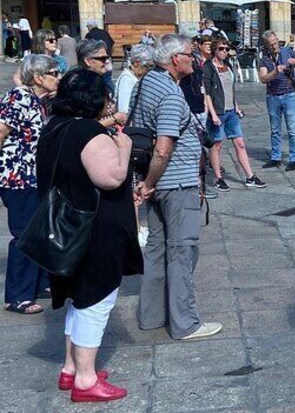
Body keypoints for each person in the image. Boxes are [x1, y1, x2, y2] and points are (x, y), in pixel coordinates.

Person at [38, 68, 142, 402]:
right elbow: (111, 177)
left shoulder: (56, 126)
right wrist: (123, 147)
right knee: (95, 301)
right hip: (94, 230)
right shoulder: (88, 132)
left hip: (67, 227)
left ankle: (71, 368)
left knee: (78, 298)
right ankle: (85, 379)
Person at [132, 34, 222, 341]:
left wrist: (145, 183)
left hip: (155, 184)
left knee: (156, 250)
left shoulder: (146, 83)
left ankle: (152, 316)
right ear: (175, 60)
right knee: (183, 251)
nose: (194, 60)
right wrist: (150, 183)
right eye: (189, 55)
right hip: (174, 182)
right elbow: (163, 146)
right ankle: (185, 323)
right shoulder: (170, 94)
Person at [0, 54, 60, 315]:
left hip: (33, 176)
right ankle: (17, 296)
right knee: (24, 234)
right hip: (17, 177)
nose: (58, 78)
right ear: (38, 77)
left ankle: (39, 283)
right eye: (54, 73)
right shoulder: (19, 98)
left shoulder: (36, 99)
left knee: (38, 230)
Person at [203, 38, 266, 190]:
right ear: (214, 50)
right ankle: (218, 178)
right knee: (217, 145)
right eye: (221, 49)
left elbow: (230, 89)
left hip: (231, 111)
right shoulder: (209, 67)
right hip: (217, 112)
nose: (224, 51)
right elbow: (207, 93)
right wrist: (213, 115)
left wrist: (236, 106)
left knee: (240, 143)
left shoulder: (228, 65)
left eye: (226, 48)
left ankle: (250, 176)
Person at [258, 30, 295, 171]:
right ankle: (276, 157)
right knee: (275, 129)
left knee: (292, 129)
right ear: (266, 45)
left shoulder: (288, 51)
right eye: (271, 45)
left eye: (276, 43)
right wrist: (275, 71)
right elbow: (263, 78)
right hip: (273, 96)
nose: (275, 46)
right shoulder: (264, 58)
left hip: (289, 95)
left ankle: (294, 158)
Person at [114, 44, 154, 113]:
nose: (148, 70)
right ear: (136, 63)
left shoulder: (136, 77)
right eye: (147, 66)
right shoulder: (127, 79)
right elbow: (123, 110)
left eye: (151, 67)